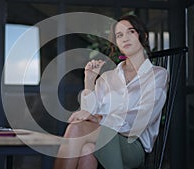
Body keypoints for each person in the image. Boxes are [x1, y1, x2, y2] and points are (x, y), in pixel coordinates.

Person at [54, 15, 168, 169]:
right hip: (102, 139)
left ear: (143, 36)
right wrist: (89, 82)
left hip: (132, 145)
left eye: (131, 32)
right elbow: (89, 115)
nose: (125, 38)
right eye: (119, 35)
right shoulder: (108, 77)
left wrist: (100, 118)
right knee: (87, 149)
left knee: (77, 128)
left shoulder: (157, 75)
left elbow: (141, 118)